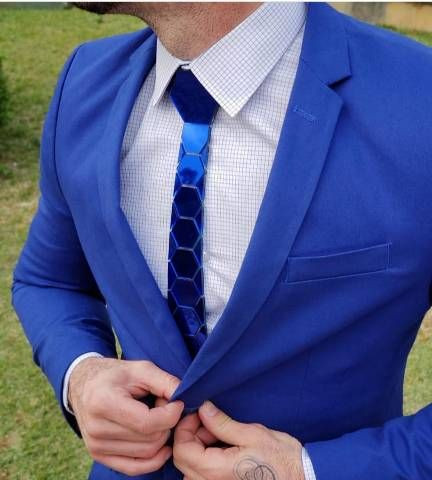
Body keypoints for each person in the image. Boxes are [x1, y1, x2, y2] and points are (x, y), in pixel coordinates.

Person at [11, 1, 432, 479]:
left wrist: (312, 470)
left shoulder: (418, 100)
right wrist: (82, 373)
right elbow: (49, 280)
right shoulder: (85, 81)